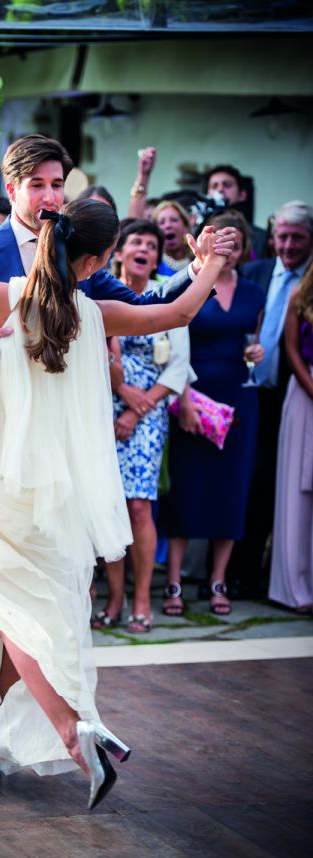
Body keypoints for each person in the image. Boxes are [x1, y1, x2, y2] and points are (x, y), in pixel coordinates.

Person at [0, 198, 233, 809]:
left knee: (7, 615)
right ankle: (9, 734)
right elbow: (181, 310)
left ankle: (70, 728)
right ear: (96, 261)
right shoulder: (97, 314)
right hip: (60, 494)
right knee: (27, 611)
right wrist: (209, 262)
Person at [91, 220, 193, 632]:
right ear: (118, 250)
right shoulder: (100, 290)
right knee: (108, 507)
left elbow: (179, 365)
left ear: (156, 256)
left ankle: (142, 599)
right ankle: (113, 598)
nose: (143, 249)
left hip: (147, 415)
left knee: (138, 506)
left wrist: (137, 407)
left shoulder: (164, 297)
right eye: (136, 242)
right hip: (100, 407)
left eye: (151, 245)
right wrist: (120, 392)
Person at [165, 211, 265, 615]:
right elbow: (172, 337)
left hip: (239, 398)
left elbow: (253, 339)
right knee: (187, 488)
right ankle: (173, 582)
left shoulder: (255, 292)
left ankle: (217, 579)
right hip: (194, 393)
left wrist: (256, 352)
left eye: (237, 243)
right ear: (210, 241)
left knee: (231, 488)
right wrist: (183, 395)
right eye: (224, 240)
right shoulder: (192, 281)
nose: (230, 249)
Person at [230, 201, 313, 597]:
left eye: (297, 237)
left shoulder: (309, 280)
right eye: (282, 235)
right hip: (245, 393)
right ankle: (237, 572)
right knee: (247, 482)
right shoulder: (254, 273)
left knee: (277, 485)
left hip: (288, 395)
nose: (288, 244)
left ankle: (262, 574)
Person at [269, 262, 313, 611]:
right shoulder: (301, 295)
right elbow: (292, 349)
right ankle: (294, 587)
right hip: (304, 393)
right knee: (297, 490)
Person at [204, 164, 267, 259]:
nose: (220, 189)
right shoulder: (200, 232)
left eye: (227, 185)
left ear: (242, 194)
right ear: (208, 194)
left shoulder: (261, 237)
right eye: (214, 186)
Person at [152, 200, 194, 276]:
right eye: (162, 222)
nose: (168, 225)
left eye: (174, 220)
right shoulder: (152, 263)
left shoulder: (199, 260)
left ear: (185, 227)